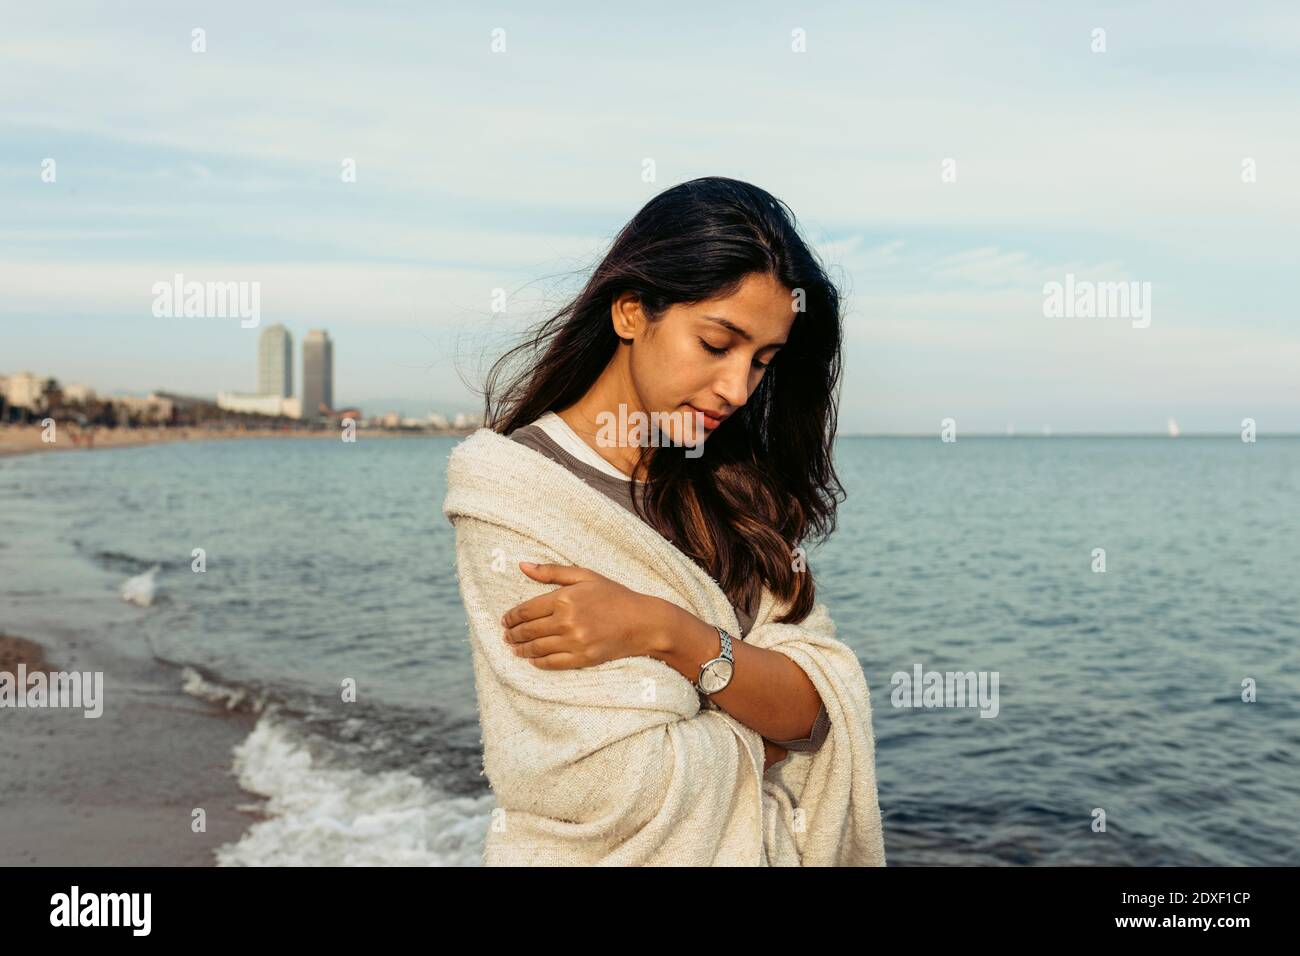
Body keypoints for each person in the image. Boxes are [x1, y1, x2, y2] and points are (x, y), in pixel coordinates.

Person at [442, 176, 885, 866]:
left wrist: (665, 630)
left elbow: (817, 709)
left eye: (762, 362)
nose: (738, 388)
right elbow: (598, 782)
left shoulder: (734, 491)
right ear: (629, 312)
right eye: (716, 343)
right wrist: (751, 713)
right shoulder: (515, 493)